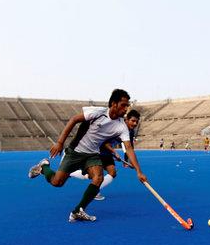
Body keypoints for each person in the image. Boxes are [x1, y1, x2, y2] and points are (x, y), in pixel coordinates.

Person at [26, 88, 147, 223]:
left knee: (98, 177)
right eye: (123, 105)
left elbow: (129, 148)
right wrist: (60, 143)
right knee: (57, 182)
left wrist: (139, 171)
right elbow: (74, 119)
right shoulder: (98, 112)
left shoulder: (121, 127)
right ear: (114, 104)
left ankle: (78, 210)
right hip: (75, 152)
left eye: (127, 106)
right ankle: (44, 167)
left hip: (92, 154)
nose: (126, 109)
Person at [67, 109, 141, 202]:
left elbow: (130, 147)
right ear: (126, 119)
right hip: (97, 151)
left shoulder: (130, 132)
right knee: (92, 176)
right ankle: (70, 173)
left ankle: (95, 191)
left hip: (107, 153)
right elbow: (104, 142)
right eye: (133, 121)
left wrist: (129, 161)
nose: (135, 124)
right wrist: (114, 152)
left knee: (112, 173)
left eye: (136, 122)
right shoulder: (117, 126)